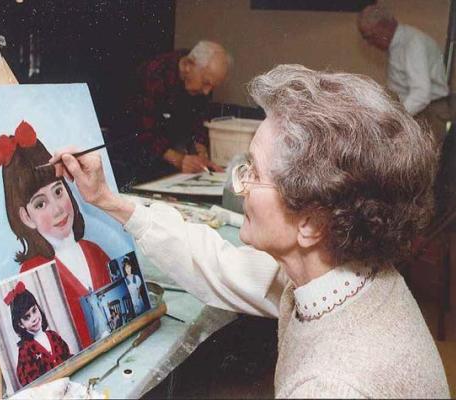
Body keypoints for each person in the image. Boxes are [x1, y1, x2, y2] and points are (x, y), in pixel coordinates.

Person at [52, 64, 450, 397]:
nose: (239, 185)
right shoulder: (342, 276)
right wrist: (109, 200)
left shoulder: (332, 386)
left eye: (254, 173)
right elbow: (217, 263)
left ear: (311, 222)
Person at [0, 120, 112, 349]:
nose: (57, 209)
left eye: (58, 191)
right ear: (26, 217)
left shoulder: (95, 251)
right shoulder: (32, 273)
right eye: (41, 204)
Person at [110, 40, 231, 185]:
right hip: (130, 155)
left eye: (212, 86)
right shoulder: (154, 74)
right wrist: (179, 160)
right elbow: (143, 132)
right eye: (206, 83)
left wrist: (201, 151)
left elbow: (200, 121)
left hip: (165, 154)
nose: (207, 92)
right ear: (187, 66)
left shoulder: (199, 80)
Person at [358, 4, 450, 143]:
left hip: (428, 113)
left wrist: (395, 119)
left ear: (383, 26)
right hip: (416, 110)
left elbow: (421, 94)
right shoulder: (399, 43)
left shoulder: (413, 43)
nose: (369, 43)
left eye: (369, 36)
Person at [4, 281, 71, 387]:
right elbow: (29, 383)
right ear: (21, 324)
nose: (34, 318)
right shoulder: (25, 351)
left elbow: (68, 357)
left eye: (34, 311)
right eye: (27, 317)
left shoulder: (53, 336)